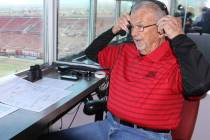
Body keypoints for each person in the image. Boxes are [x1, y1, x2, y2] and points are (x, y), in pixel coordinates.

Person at [39, 0, 210, 140]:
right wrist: (113, 30)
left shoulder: (176, 61)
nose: (134, 33)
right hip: (108, 126)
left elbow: (198, 86)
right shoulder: (125, 51)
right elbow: (91, 52)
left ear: (161, 30)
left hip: (146, 135)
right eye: (132, 26)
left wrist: (179, 37)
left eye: (141, 26)